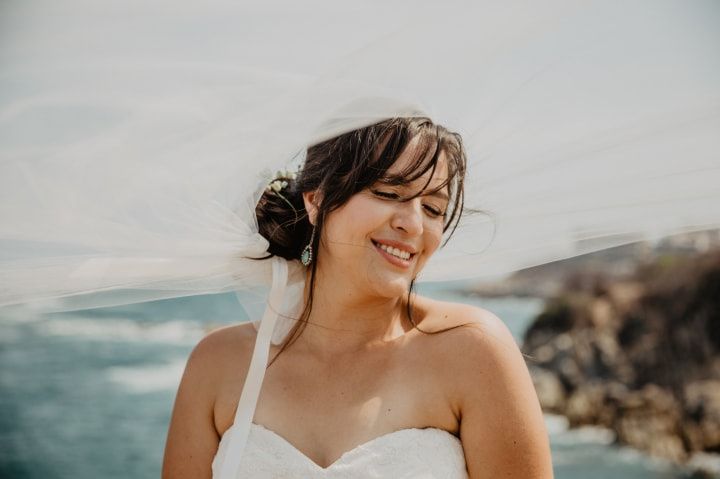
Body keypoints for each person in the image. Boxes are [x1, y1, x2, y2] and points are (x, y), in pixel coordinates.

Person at [162, 117, 554, 478]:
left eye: (434, 208)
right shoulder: (217, 365)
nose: (413, 223)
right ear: (315, 199)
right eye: (388, 192)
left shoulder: (474, 350)